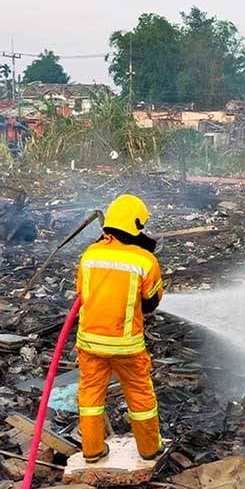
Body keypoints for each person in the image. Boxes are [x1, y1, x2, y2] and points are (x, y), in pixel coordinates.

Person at [75, 194, 165, 463]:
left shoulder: (89, 255)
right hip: (127, 346)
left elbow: (81, 293)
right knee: (140, 396)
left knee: (90, 396)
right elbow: (151, 303)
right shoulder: (145, 261)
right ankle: (149, 449)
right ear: (136, 224)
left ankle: (92, 451)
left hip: (90, 343)